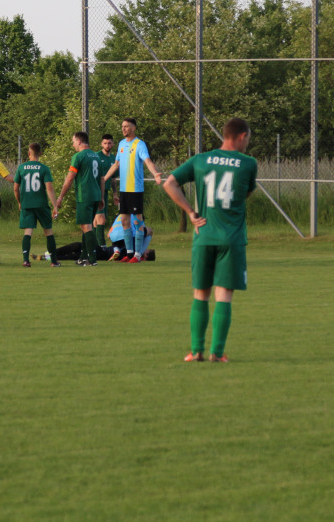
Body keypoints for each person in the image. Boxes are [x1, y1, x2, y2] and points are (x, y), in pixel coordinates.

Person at [162, 117, 257, 363]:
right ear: (241, 136)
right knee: (224, 294)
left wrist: (191, 213)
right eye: (248, 137)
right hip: (232, 238)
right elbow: (244, 193)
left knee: (200, 293)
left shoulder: (200, 160)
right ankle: (217, 352)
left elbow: (170, 183)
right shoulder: (248, 164)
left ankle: (196, 351)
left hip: (204, 235)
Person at [102, 118, 163, 263]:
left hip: (135, 189)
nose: (123, 129)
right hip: (124, 189)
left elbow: (147, 161)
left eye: (126, 126)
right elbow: (116, 164)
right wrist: (104, 179)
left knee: (138, 221)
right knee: (124, 221)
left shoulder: (139, 144)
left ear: (133, 128)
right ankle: (129, 254)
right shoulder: (122, 144)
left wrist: (155, 174)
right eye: (122, 126)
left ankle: (137, 255)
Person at [53, 132, 105, 266]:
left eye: (73, 141)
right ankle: (83, 256)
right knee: (87, 225)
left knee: (85, 225)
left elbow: (70, 178)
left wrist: (60, 197)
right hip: (95, 195)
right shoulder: (96, 156)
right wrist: (102, 197)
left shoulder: (78, 156)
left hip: (85, 195)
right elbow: (102, 179)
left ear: (79, 141)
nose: (73, 144)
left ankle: (92, 259)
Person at [12, 142, 61, 268]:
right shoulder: (44, 168)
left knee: (28, 232)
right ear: (40, 154)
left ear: (29, 153)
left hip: (27, 204)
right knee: (48, 232)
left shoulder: (21, 168)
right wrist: (55, 206)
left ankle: (25, 260)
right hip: (41, 204)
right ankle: (54, 261)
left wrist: (19, 202)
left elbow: (16, 189)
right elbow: (49, 188)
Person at [93, 133, 117, 248]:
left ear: (113, 144)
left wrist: (115, 194)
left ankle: (93, 244)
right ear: (101, 144)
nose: (107, 145)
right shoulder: (96, 156)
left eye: (109, 143)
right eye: (105, 143)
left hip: (106, 191)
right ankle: (102, 245)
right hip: (97, 191)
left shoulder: (114, 159)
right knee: (101, 219)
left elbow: (113, 178)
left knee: (97, 219)